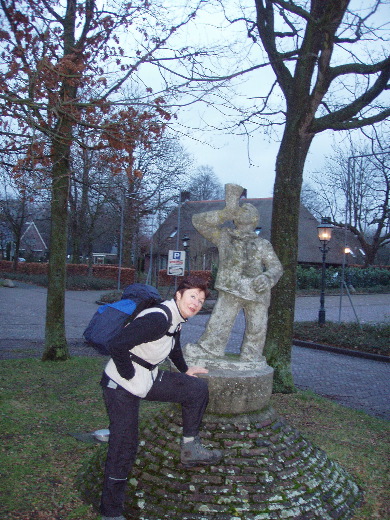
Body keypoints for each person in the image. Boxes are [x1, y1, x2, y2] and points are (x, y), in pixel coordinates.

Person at [99, 276, 222, 520]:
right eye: (192, 296)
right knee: (124, 447)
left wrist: (185, 370)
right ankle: (110, 512)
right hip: (120, 386)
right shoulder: (158, 317)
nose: (196, 303)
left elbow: (174, 345)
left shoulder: (176, 318)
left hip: (147, 378)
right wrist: (129, 374)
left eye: (201, 299)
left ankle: (190, 447)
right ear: (178, 295)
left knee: (196, 389)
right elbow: (117, 345)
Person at [187, 184, 283, 364]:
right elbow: (198, 221)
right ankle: (210, 349)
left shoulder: (262, 244)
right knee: (220, 321)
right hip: (231, 288)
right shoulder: (224, 236)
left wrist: (267, 277)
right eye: (239, 209)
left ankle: (251, 356)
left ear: (254, 218)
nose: (241, 210)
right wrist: (226, 213)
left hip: (257, 292)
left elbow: (276, 267)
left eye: (245, 208)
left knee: (257, 327)